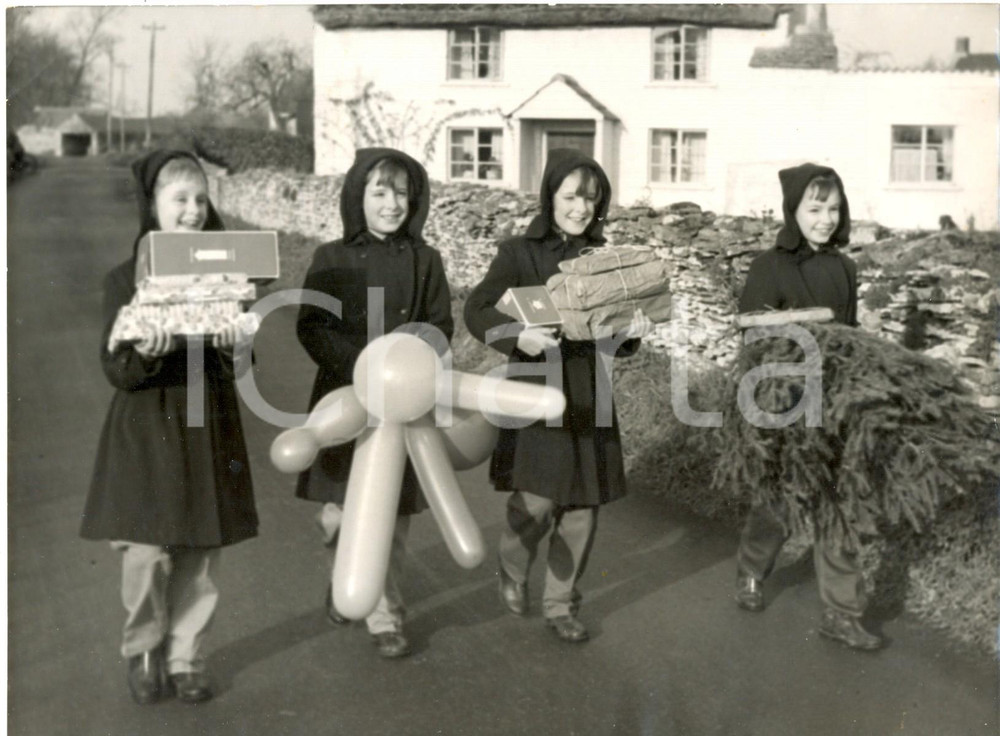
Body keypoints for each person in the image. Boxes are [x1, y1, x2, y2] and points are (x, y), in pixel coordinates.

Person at [81, 150, 258, 704]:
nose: (191, 211)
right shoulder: (122, 279)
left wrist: (239, 344)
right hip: (147, 423)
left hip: (208, 420)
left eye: (200, 200)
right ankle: (143, 647)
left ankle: (185, 656)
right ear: (152, 206)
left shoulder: (230, 275)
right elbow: (117, 367)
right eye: (178, 199)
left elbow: (246, 366)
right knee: (146, 550)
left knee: (199, 549)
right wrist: (149, 355)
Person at [463, 148, 654, 643]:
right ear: (550, 196)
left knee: (582, 508)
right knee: (538, 502)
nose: (580, 208)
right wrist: (515, 336)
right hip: (535, 385)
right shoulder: (518, 253)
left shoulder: (607, 260)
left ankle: (560, 603)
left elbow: (617, 335)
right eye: (570, 196)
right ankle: (512, 566)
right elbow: (478, 308)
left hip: (590, 390)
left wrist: (633, 330)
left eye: (590, 199)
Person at [295, 148, 453, 659]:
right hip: (345, 395)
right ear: (357, 196)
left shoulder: (426, 261)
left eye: (401, 193)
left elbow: (440, 326)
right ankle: (348, 573)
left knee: (391, 516)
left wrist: (412, 362)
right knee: (339, 513)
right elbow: (312, 326)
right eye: (379, 192)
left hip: (405, 404)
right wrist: (360, 367)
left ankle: (386, 616)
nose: (391, 204)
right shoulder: (331, 257)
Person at [734, 162, 882, 650]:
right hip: (785, 396)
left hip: (835, 397)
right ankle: (753, 568)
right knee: (779, 496)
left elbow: (851, 330)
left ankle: (842, 611)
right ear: (792, 210)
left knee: (840, 500)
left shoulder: (844, 267)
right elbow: (753, 335)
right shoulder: (769, 266)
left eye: (833, 208)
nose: (825, 218)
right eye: (814, 208)